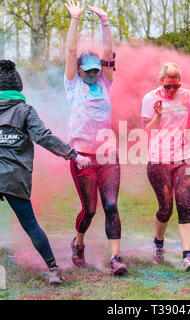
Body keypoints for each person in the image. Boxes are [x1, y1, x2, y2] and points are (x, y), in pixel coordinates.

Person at [0, 59, 90, 284]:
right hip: (15, 178)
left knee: (30, 224)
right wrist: (74, 155)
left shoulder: (24, 111)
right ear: (18, 87)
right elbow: (44, 137)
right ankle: (54, 270)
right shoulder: (25, 110)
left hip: (11, 176)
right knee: (30, 225)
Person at [64, 1, 127, 275]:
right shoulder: (72, 84)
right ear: (79, 71)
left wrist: (105, 21)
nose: (92, 74)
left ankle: (116, 259)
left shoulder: (105, 82)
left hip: (107, 155)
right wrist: (75, 20)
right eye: (88, 70)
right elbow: (69, 52)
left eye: (95, 70)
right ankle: (78, 245)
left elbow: (109, 54)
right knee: (89, 209)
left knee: (111, 204)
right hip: (82, 157)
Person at [141, 62, 190, 271]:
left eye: (176, 86)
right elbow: (147, 132)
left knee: (185, 204)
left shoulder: (188, 96)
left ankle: (187, 256)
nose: (173, 90)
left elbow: (188, 124)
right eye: (168, 87)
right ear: (161, 82)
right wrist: (157, 115)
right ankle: (158, 243)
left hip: (184, 157)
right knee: (166, 208)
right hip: (159, 159)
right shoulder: (150, 98)